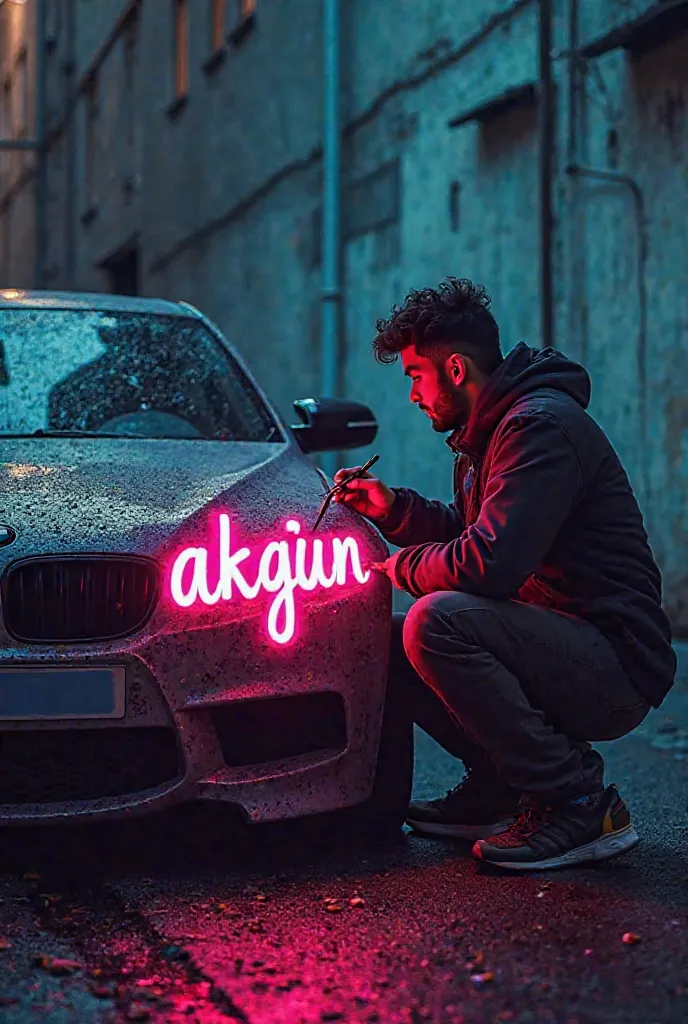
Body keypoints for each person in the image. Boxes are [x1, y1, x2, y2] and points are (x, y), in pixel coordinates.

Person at [333, 277, 676, 871]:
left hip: (614, 664)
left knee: (435, 622)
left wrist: (397, 568)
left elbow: (488, 563)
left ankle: (577, 801)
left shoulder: (538, 427)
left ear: (457, 370)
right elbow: (477, 531)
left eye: (416, 375)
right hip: (555, 640)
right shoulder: (488, 435)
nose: (413, 395)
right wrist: (397, 511)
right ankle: (501, 786)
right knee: (388, 641)